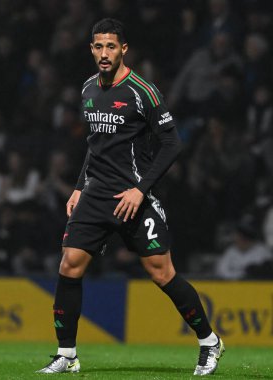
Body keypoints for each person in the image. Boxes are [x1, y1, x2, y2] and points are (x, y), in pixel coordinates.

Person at [37, 18, 225, 376]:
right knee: (69, 265)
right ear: (91, 49)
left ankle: (209, 341)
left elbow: (172, 143)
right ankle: (67, 354)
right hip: (95, 195)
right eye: (98, 46)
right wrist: (79, 186)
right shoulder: (88, 89)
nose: (104, 53)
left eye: (111, 46)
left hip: (132, 196)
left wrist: (141, 190)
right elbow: (96, 146)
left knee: (161, 273)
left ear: (124, 49)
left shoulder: (143, 91)